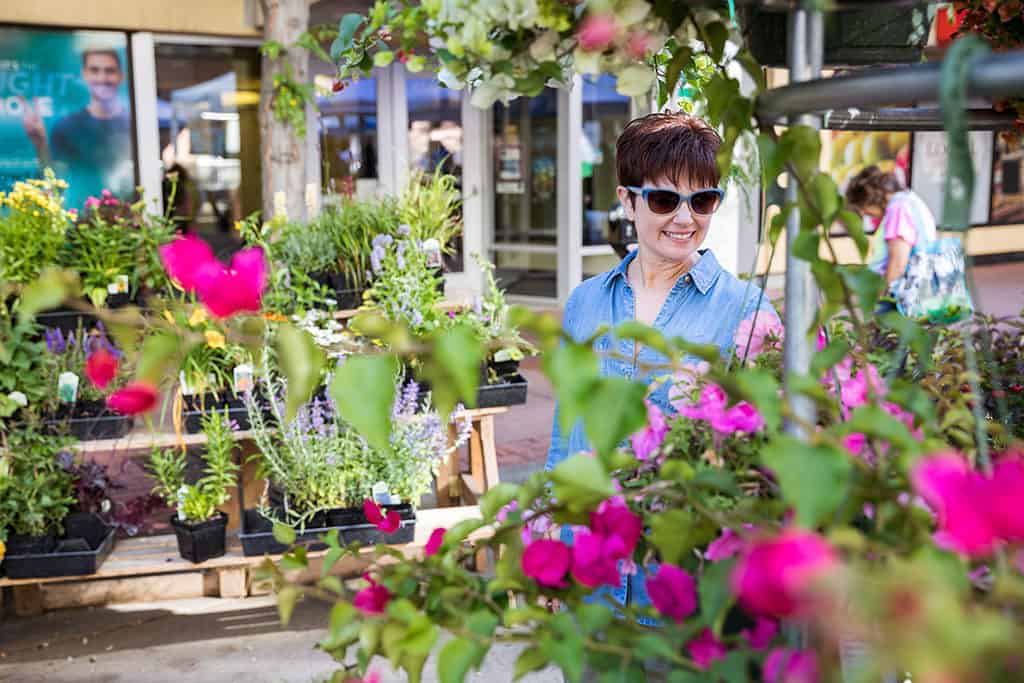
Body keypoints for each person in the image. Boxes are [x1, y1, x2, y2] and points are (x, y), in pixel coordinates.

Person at [543, 112, 779, 679]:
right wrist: (549, 552)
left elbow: (765, 452)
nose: (684, 218)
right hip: (591, 581)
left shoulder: (746, 312)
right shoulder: (586, 304)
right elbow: (565, 435)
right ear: (627, 199)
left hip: (679, 593)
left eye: (702, 201)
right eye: (664, 200)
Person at [22, 47, 134, 207]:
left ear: (120, 76)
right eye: (94, 70)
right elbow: (56, 181)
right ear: (84, 75)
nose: (102, 77)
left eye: (110, 71)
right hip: (81, 222)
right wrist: (40, 143)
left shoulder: (134, 125)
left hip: (126, 222)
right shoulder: (66, 126)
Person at [845, 165, 937, 289]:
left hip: (900, 299)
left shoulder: (898, 208)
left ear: (869, 199)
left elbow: (898, 264)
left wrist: (883, 297)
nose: (866, 215)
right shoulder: (909, 200)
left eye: (864, 210)